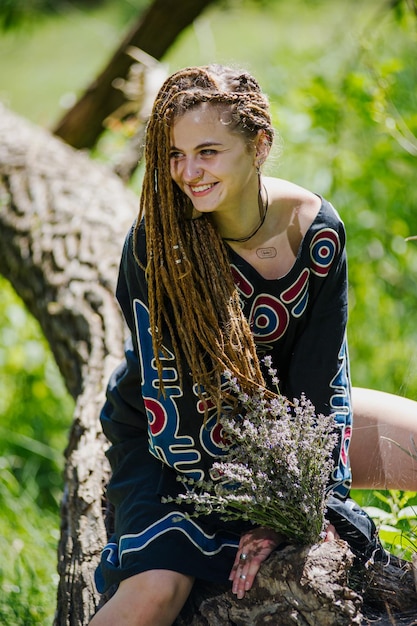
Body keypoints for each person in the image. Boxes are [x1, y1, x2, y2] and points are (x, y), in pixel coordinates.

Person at [89, 64, 406, 626]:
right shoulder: (155, 248)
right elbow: (181, 416)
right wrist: (269, 508)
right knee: (155, 593)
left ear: (259, 144)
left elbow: (321, 381)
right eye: (174, 154)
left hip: (286, 421)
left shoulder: (316, 231)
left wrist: (301, 501)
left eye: (208, 151)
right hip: (171, 437)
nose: (188, 172)